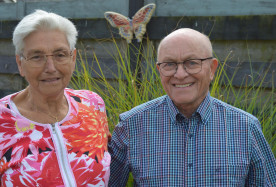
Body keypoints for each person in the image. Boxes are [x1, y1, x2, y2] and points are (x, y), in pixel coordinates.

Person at [108, 28, 276, 186]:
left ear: (211, 69)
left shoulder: (246, 128)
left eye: (192, 63)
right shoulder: (131, 126)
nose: (180, 74)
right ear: (159, 70)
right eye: (169, 64)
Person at [0, 10, 111, 186]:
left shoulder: (93, 105)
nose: (50, 67)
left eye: (60, 54)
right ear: (20, 63)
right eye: (37, 56)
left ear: (73, 58)